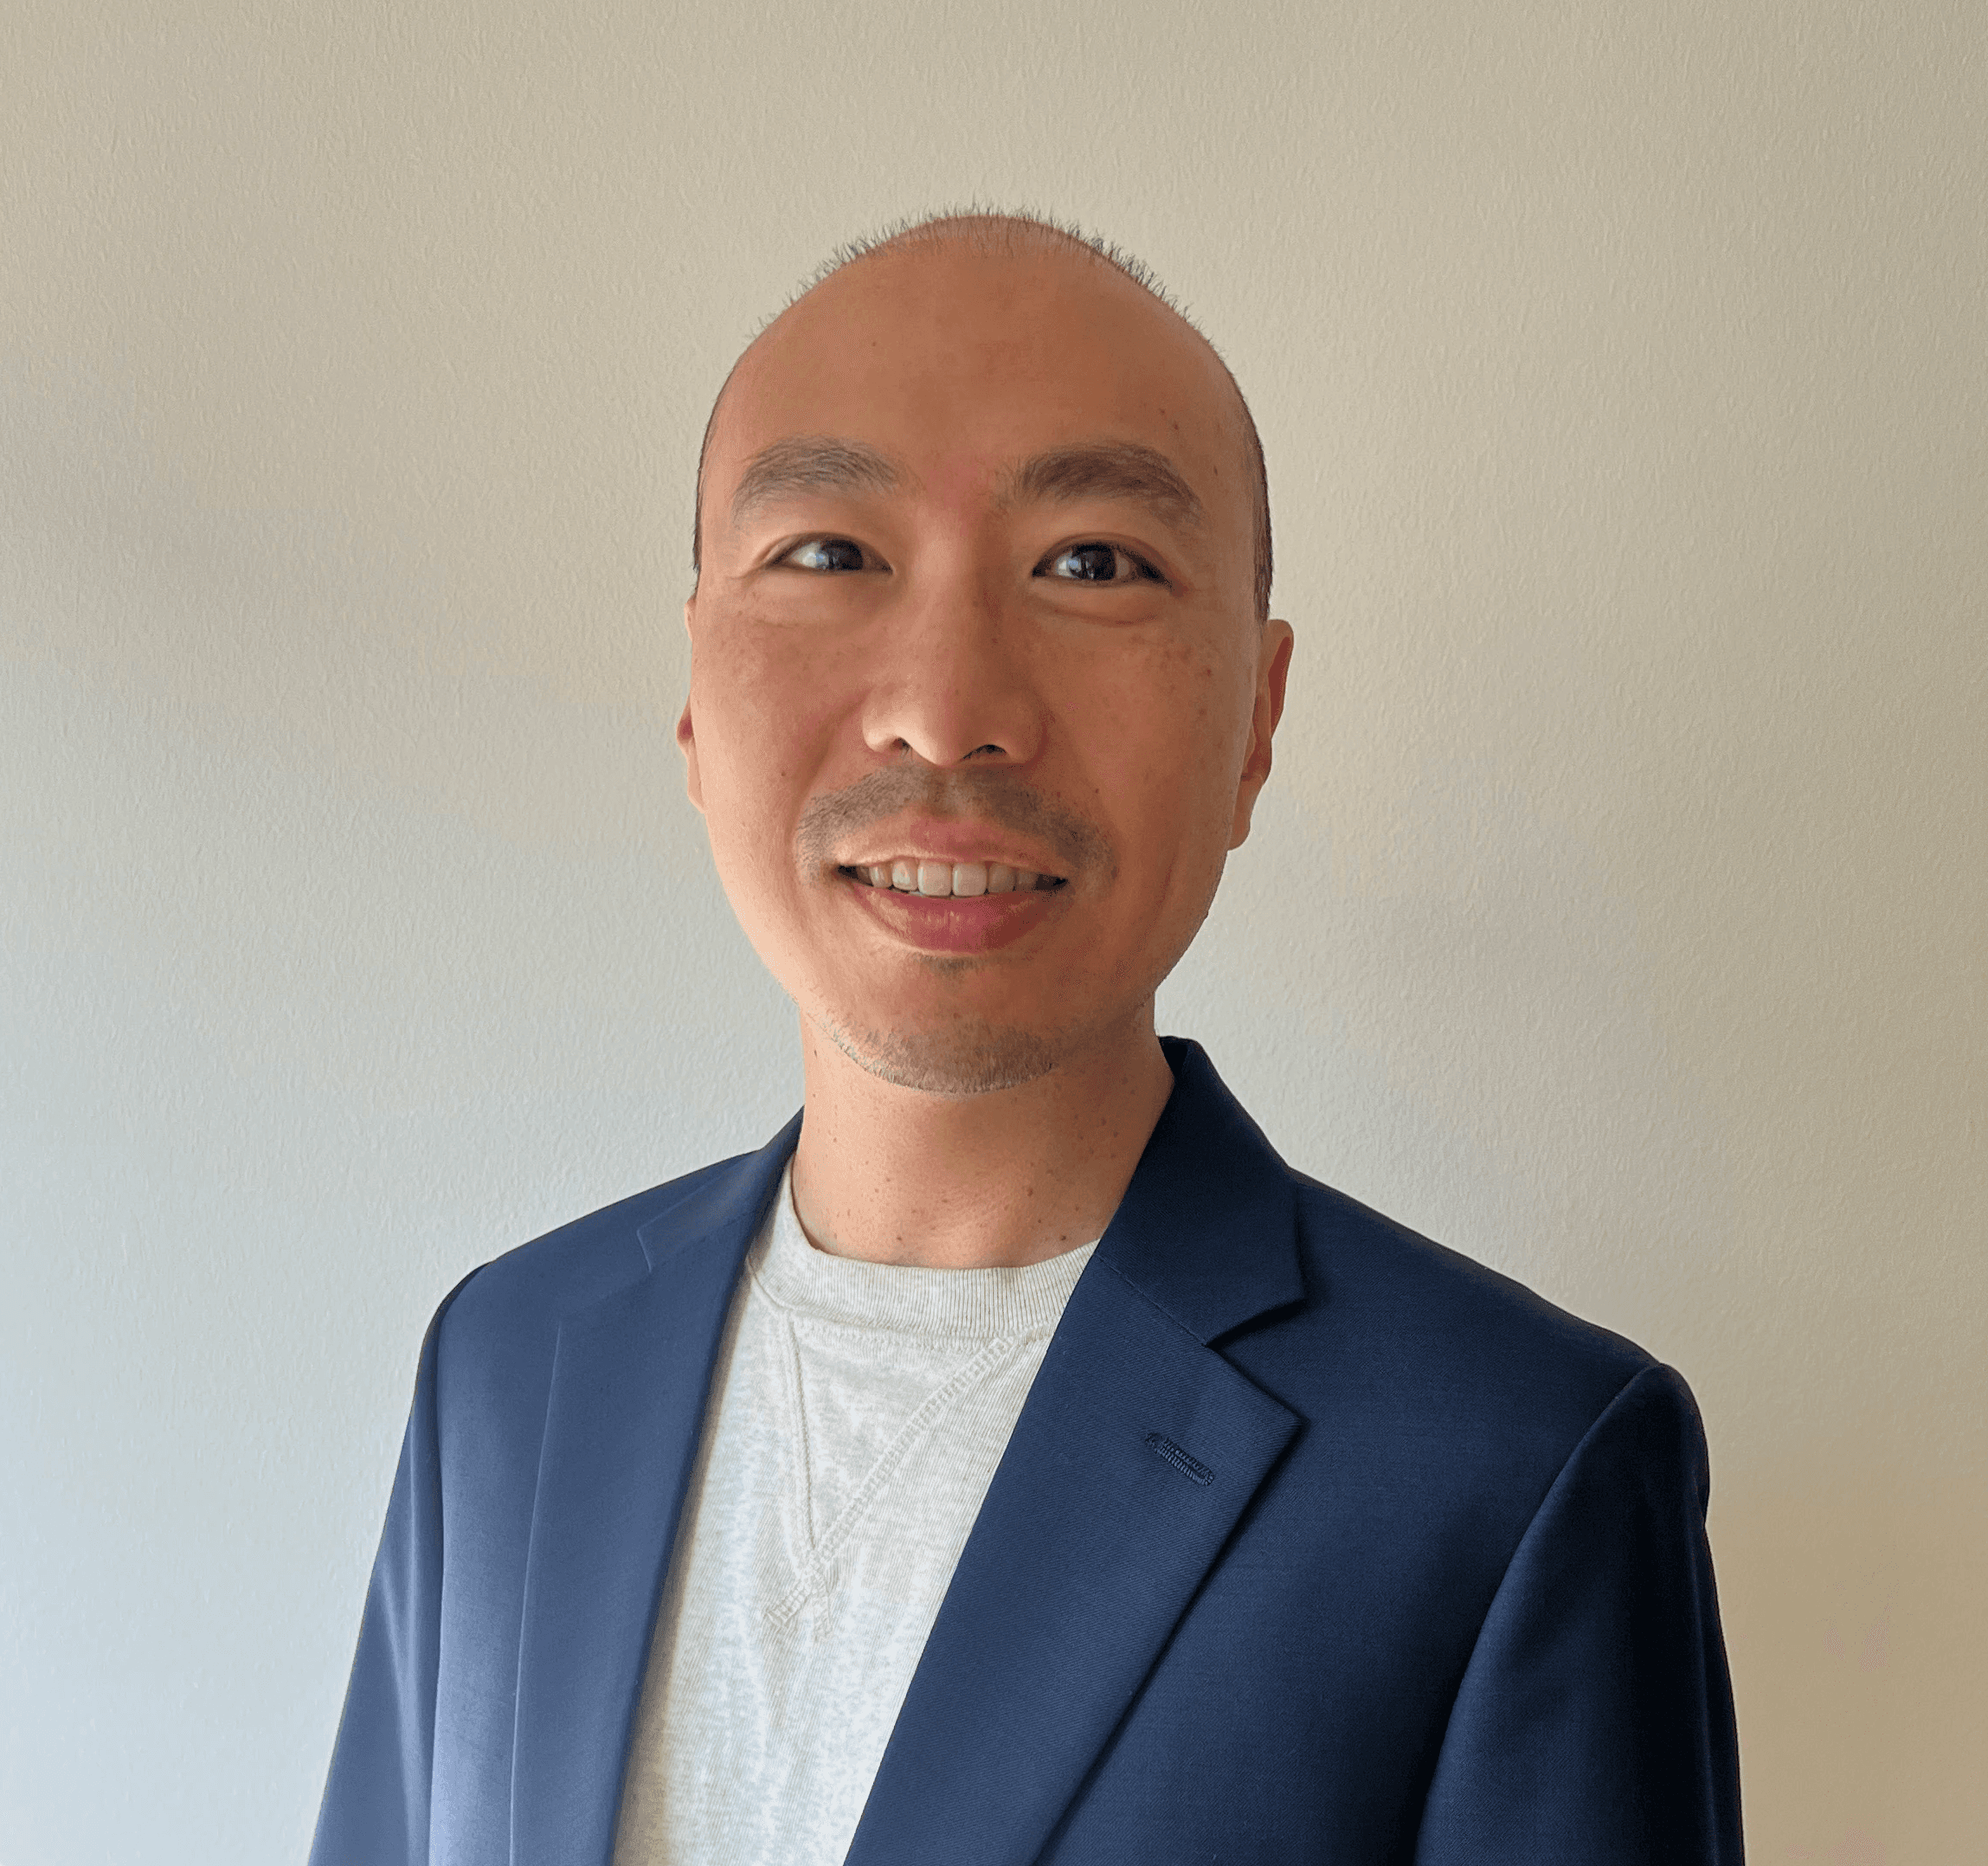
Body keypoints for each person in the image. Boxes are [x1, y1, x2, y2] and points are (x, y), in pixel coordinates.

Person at [312, 212, 1743, 1866]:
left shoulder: (1517, 1470)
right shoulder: (510, 1360)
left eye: (1093, 564)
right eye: (832, 554)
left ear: (1257, 722)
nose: (946, 703)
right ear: (695, 689)